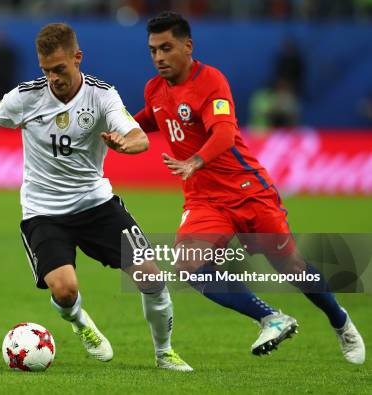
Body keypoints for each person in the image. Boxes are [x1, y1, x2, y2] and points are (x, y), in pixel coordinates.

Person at [0, 23, 192, 371]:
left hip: (96, 204)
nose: (53, 78)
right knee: (64, 291)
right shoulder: (27, 97)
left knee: (151, 276)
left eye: (60, 69)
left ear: (78, 58)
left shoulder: (102, 95)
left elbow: (139, 136)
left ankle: (164, 352)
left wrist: (126, 144)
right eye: (46, 70)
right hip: (44, 213)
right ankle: (80, 323)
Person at [134, 11, 364, 364]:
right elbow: (151, 118)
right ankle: (270, 317)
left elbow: (224, 133)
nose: (159, 57)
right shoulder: (155, 88)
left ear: (187, 45)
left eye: (166, 48)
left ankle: (341, 321)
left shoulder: (210, 81)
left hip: (247, 191)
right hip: (205, 199)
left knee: (293, 268)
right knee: (188, 265)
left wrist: (195, 161)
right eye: (153, 50)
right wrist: (124, 133)